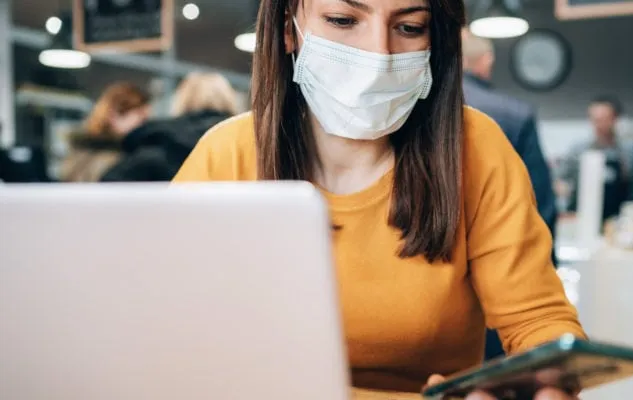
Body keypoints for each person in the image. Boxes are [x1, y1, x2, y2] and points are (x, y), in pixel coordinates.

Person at [173, 0, 584, 399]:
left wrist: (550, 379)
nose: (379, 54)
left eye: (409, 28)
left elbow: (536, 318)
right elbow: (167, 340)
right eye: (342, 19)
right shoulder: (225, 156)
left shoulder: (475, 150)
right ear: (287, 29)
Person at [460, 28, 560, 362]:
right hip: (504, 274)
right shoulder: (514, 113)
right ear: (486, 61)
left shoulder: (405, 109)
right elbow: (542, 206)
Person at [101, 73, 240, 182]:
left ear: (181, 100)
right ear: (230, 100)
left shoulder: (159, 144)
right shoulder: (245, 143)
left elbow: (108, 186)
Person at [558, 96, 633, 223]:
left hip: (618, 222)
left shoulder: (628, 154)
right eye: (595, 119)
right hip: (582, 220)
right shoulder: (578, 151)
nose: (599, 124)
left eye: (604, 119)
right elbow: (560, 181)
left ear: (615, 119)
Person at [60, 82, 151, 182]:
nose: (145, 126)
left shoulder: (79, 150)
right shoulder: (116, 159)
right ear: (115, 114)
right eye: (142, 119)